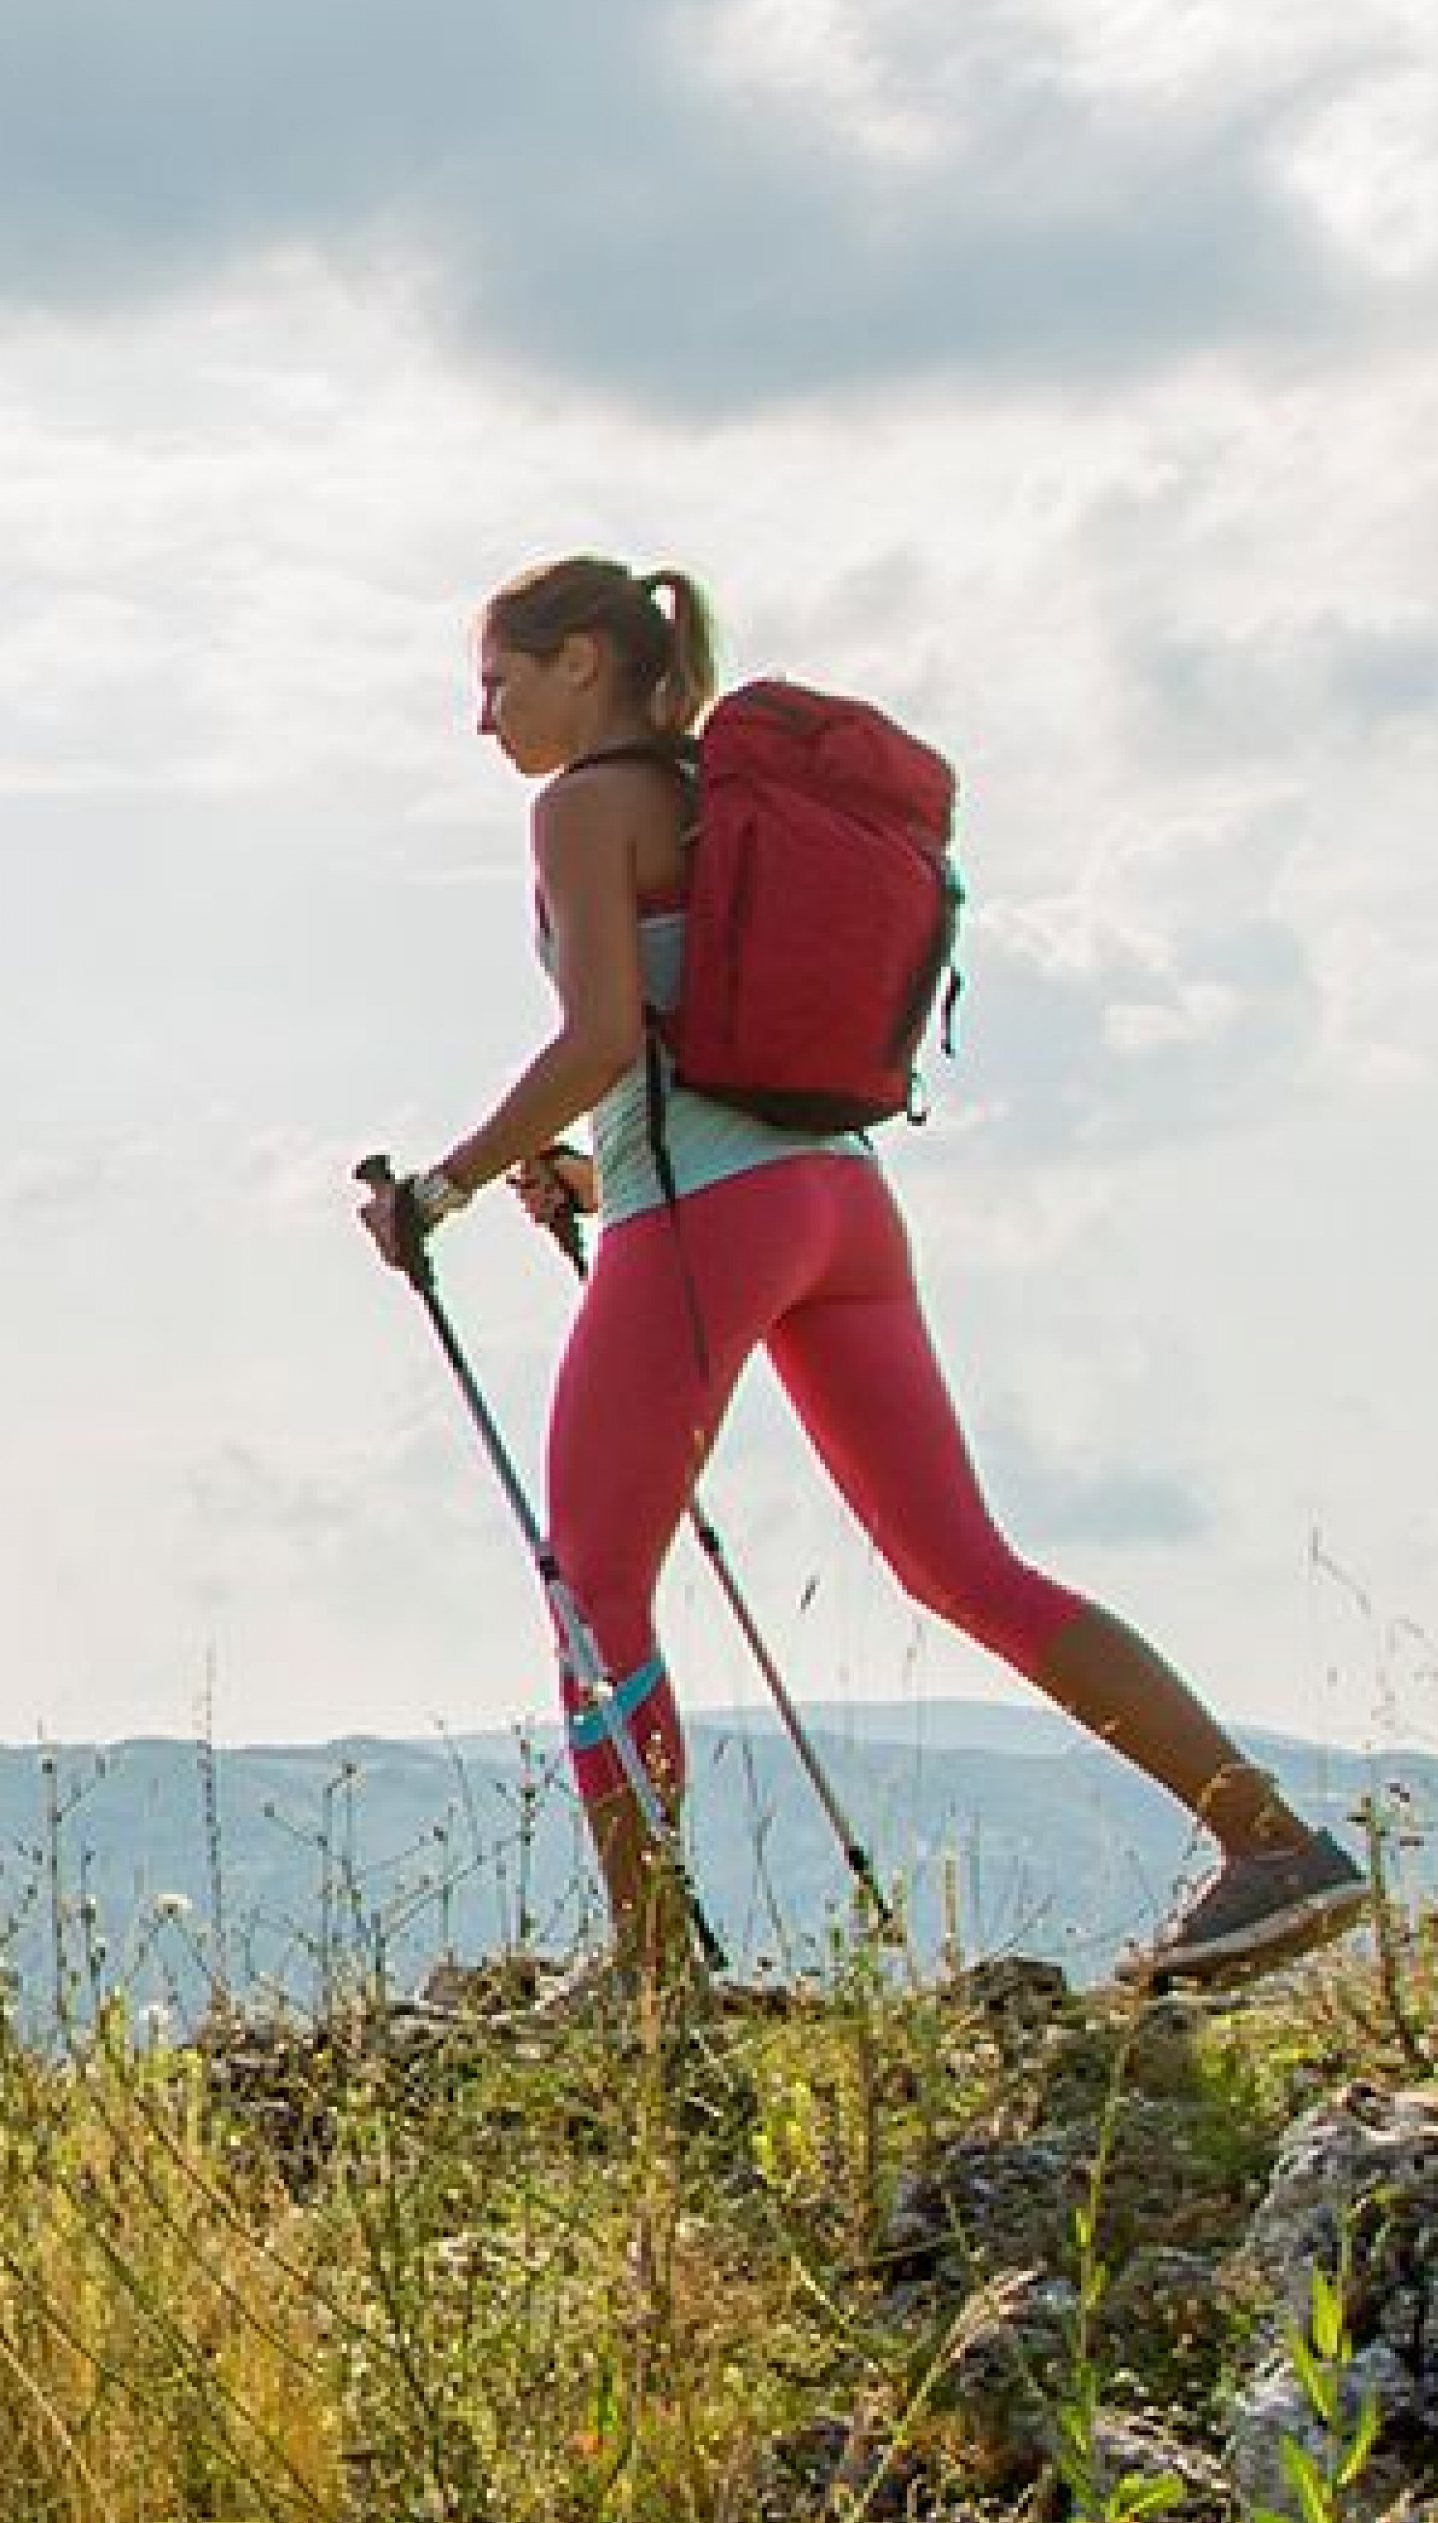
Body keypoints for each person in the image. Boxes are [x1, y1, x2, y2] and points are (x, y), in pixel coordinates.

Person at [359, 556, 1368, 1990]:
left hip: (709, 1219)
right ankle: (1271, 1845)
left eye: (496, 682)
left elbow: (594, 1038)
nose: (484, 720)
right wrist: (595, 1165)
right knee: (963, 1561)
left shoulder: (584, 806)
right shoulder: (731, 805)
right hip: (838, 1206)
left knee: (594, 1592)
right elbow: (692, 1035)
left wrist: (442, 1188)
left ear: (581, 659)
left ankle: (650, 1989)